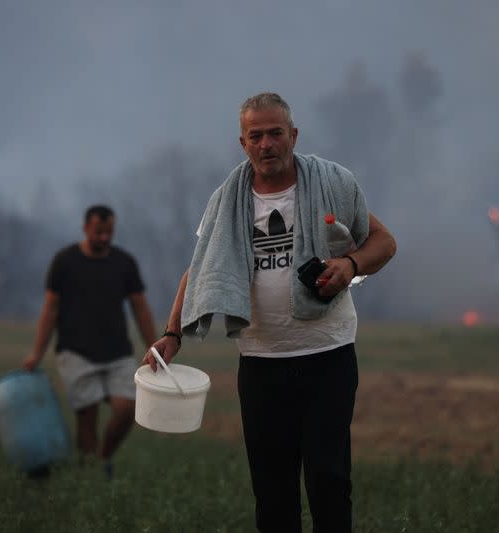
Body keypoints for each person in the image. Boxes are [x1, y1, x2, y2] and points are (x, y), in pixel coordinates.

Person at [142, 93, 396, 531]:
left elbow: (383, 242)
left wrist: (350, 264)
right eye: (255, 136)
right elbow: (199, 269)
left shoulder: (331, 183)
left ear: (293, 136)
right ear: (243, 143)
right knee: (273, 495)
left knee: (329, 482)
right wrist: (172, 334)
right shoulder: (227, 200)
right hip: (261, 365)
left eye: (275, 133)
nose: (266, 144)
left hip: (327, 357)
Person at [24, 204, 157, 478]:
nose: (105, 238)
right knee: (87, 418)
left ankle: (103, 458)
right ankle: (89, 475)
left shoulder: (125, 263)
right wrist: (36, 354)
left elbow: (140, 308)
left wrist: (154, 345)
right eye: (99, 232)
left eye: (109, 232)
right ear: (85, 229)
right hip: (76, 352)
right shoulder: (64, 262)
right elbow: (50, 310)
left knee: (126, 409)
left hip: (117, 352)